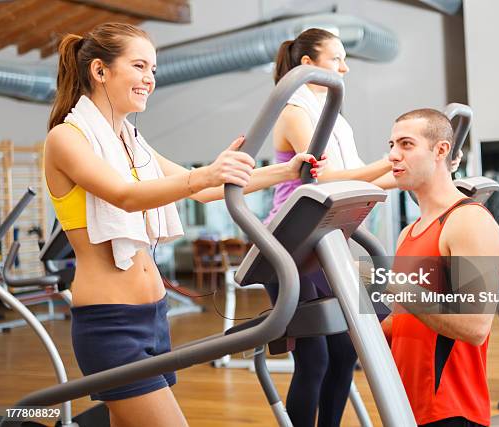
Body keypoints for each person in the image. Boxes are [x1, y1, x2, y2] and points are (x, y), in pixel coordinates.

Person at [44, 23, 324, 427]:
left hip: (153, 315)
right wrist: (208, 174)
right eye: (139, 66)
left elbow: (207, 189)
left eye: (153, 70)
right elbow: (124, 194)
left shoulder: (133, 142)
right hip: (111, 322)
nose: (149, 79)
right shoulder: (67, 138)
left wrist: (287, 172)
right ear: (100, 71)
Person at [266, 29, 463, 427]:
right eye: (336, 58)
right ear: (308, 66)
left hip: (325, 243)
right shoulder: (293, 111)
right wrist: (401, 158)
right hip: (290, 242)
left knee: (344, 353)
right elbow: (330, 177)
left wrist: (428, 171)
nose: (345, 67)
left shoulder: (334, 119)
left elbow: (363, 180)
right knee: (315, 359)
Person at [381, 109, 499, 427]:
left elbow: (475, 326)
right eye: (391, 145)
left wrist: (398, 286)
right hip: (406, 407)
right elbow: (407, 321)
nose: (393, 155)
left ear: (441, 150)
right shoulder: (408, 233)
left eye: (406, 144)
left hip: (450, 412)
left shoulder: (467, 221)